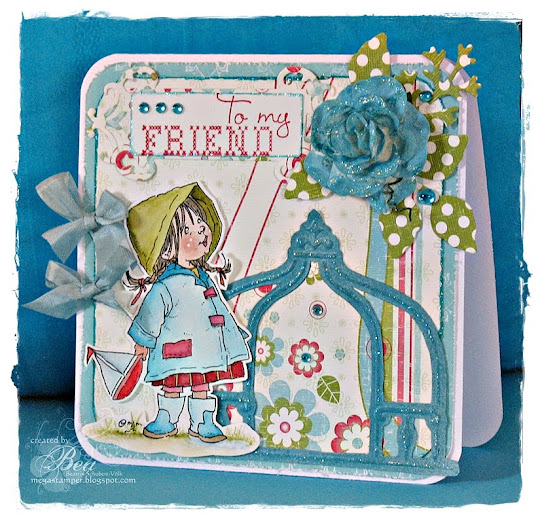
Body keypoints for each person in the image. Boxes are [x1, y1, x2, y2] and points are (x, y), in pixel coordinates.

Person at [125, 183, 251, 442]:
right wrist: (142, 342)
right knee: (173, 384)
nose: (201, 230)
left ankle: (203, 422)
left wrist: (233, 334)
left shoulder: (204, 277)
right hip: (176, 348)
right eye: (187, 229)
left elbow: (218, 310)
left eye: (201, 223)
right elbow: (150, 315)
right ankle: (166, 419)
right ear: (167, 248)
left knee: (201, 386)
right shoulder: (166, 285)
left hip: (206, 349)